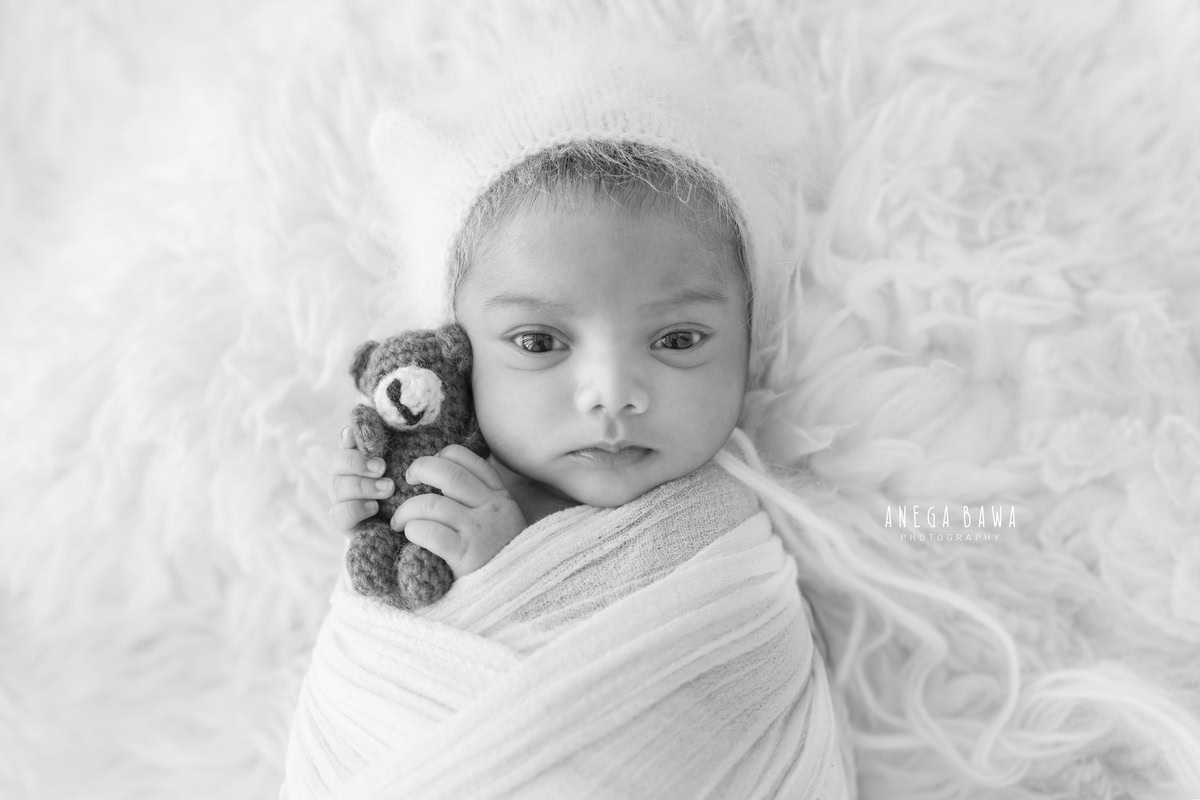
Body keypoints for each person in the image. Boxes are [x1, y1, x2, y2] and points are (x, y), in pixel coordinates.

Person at [283, 32, 857, 800]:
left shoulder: (718, 537)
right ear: (454, 352)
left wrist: (507, 572)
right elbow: (371, 696)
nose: (611, 392)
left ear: (748, 347)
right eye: (540, 341)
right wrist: (386, 519)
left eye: (678, 340)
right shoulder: (437, 484)